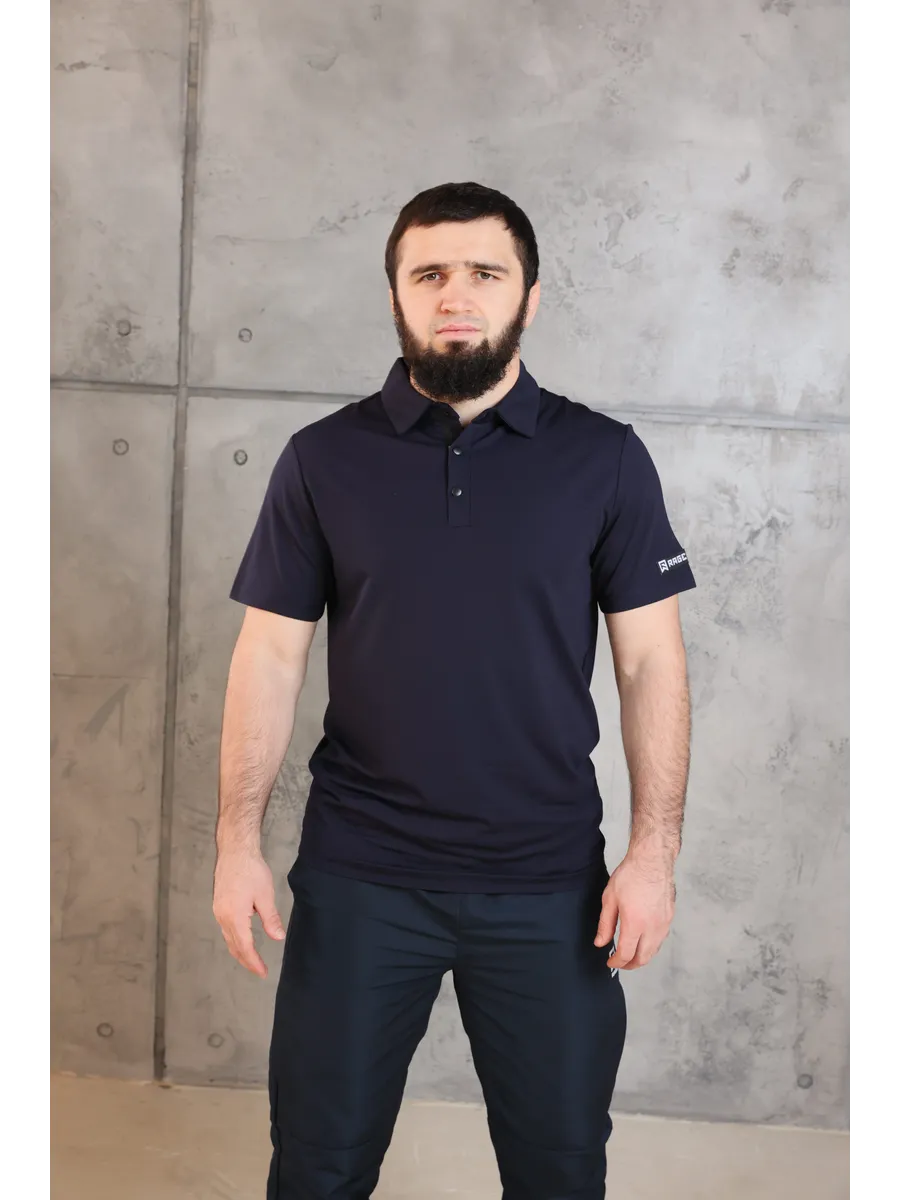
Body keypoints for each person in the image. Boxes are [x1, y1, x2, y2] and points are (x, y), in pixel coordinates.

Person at [213, 181, 696, 1200]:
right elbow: (269, 656)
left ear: (530, 296)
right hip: (360, 876)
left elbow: (651, 662)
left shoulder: (604, 460)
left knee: (560, 1172)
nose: (456, 295)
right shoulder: (323, 460)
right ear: (395, 294)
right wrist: (235, 843)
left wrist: (653, 857)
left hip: (549, 884)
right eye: (429, 273)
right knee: (317, 1169)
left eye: (485, 272)